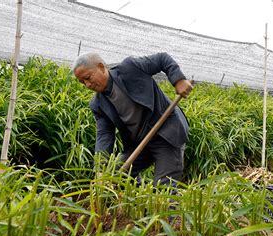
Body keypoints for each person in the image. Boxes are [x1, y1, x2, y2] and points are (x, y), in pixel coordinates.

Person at [72, 52, 193, 186]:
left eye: (88, 78)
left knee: (163, 188)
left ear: (101, 67)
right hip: (140, 143)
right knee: (115, 174)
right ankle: (135, 200)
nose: (87, 85)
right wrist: (100, 169)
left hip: (166, 133)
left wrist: (178, 80)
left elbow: (162, 59)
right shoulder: (98, 104)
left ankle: (164, 205)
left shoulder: (130, 68)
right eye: (82, 82)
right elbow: (104, 134)